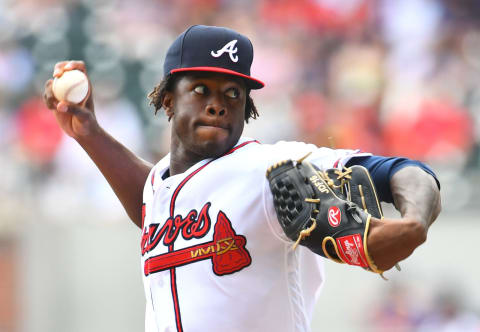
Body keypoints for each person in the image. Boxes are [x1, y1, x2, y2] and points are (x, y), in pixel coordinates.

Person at [43, 25, 441, 332]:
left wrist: (414, 223)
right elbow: (152, 206)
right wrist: (89, 133)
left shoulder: (270, 167)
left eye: (233, 94)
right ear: (167, 99)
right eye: (201, 89)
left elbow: (408, 173)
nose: (217, 105)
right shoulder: (160, 185)